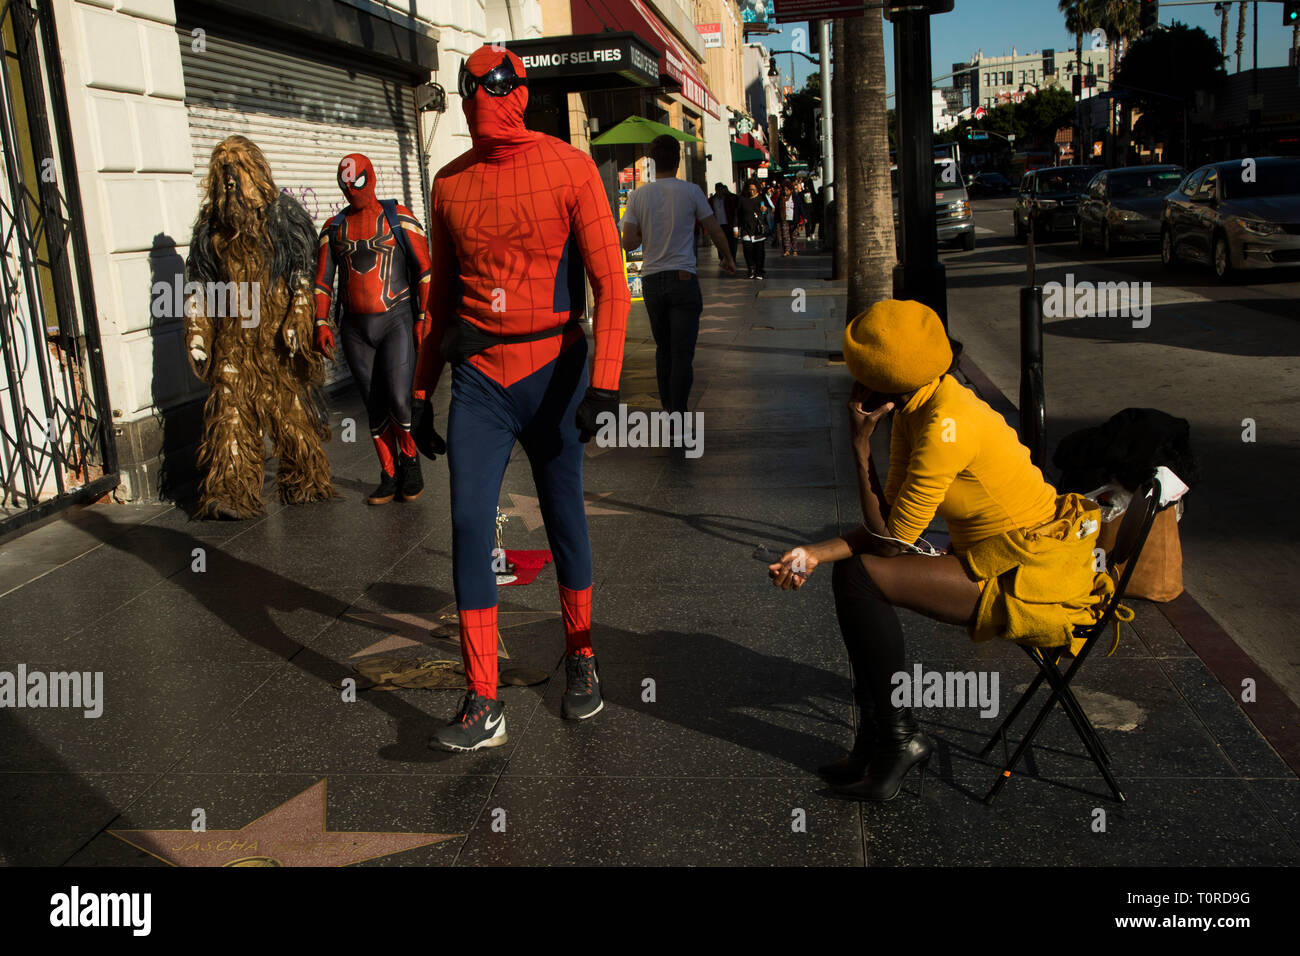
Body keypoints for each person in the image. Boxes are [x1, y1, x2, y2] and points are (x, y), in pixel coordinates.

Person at [767, 299, 1115, 801]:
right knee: (854, 574)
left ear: (877, 382)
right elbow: (890, 525)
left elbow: (890, 546)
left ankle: (898, 739)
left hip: (1032, 577)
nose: (853, 387)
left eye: (858, 376)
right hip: (1001, 558)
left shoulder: (943, 427)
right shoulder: (926, 402)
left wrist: (860, 447)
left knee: (862, 577)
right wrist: (814, 553)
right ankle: (879, 740)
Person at [413, 46, 631, 751]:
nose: (483, 98)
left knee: (564, 514)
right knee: (470, 526)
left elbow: (613, 284)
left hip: (555, 371)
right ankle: (482, 698)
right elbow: (439, 298)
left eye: (495, 87)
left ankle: (583, 654)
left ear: (520, 91)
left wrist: (604, 384)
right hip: (480, 380)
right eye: (471, 89)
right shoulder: (448, 184)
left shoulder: (568, 167)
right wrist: (419, 391)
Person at [184, 135, 335, 519]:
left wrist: (300, 314)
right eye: (222, 169)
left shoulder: (284, 214)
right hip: (234, 338)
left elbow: (305, 270)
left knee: (290, 410)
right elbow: (199, 282)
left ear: (256, 169)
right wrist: (198, 330)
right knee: (230, 413)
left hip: (276, 335)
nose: (230, 176)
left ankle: (304, 477)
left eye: (238, 167)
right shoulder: (210, 226)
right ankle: (231, 492)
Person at [314, 153, 433, 505]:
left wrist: (424, 318)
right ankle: (389, 473)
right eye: (345, 184)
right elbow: (322, 282)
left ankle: (410, 463)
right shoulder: (334, 228)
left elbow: (425, 270)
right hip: (354, 328)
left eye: (358, 181)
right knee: (373, 403)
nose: (351, 189)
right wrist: (321, 321)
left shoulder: (399, 218)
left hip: (396, 319)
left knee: (398, 398)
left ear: (373, 178)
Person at [620, 134, 735, 417]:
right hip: (683, 277)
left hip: (651, 280)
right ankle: (678, 413)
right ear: (678, 160)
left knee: (664, 349)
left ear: (652, 161)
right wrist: (727, 257)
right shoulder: (692, 191)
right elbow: (714, 229)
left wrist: (647, 230)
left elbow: (628, 243)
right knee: (682, 352)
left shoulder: (638, 195)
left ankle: (667, 406)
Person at [735, 178, 771, 280]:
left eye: (753, 189)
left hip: (758, 229)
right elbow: (737, 214)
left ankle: (759, 270)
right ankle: (751, 269)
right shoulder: (742, 199)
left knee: (759, 251)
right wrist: (735, 228)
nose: (751, 191)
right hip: (746, 229)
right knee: (748, 250)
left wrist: (765, 211)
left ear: (757, 189)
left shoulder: (762, 198)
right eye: (749, 189)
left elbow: (770, 210)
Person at [710, 182, 739, 263]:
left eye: (721, 189)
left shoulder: (729, 199)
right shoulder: (712, 200)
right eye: (718, 189)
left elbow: (735, 206)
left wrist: (735, 225)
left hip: (728, 224)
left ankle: (732, 258)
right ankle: (722, 258)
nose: (720, 191)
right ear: (715, 190)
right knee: (720, 243)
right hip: (718, 225)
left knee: (731, 242)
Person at [775, 182, 803, 256]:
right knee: (785, 235)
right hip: (784, 219)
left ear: (791, 190)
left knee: (794, 236)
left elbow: (800, 207)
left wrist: (804, 217)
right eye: (784, 190)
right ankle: (787, 250)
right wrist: (776, 219)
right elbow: (777, 209)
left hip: (794, 219)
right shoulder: (781, 198)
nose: (785, 192)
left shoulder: (795, 197)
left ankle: (794, 250)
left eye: (787, 190)